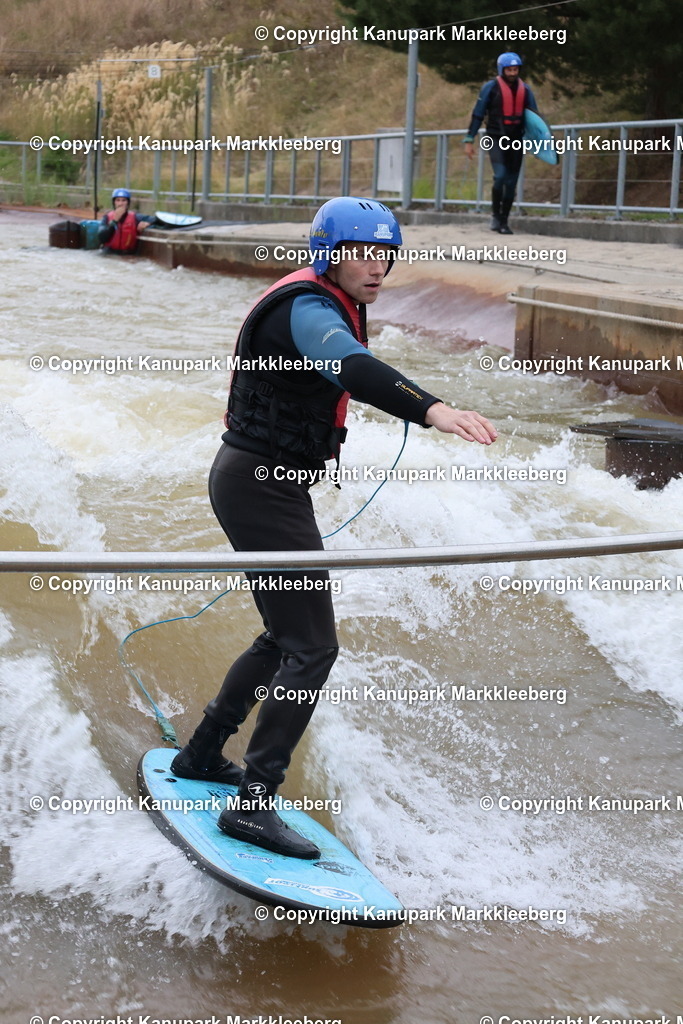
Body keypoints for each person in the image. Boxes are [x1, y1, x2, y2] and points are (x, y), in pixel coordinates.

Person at [171, 196, 497, 859]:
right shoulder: (306, 310)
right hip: (257, 484)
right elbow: (349, 367)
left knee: (284, 635)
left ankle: (203, 755)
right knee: (312, 648)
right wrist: (430, 409)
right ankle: (253, 804)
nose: (375, 266)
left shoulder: (329, 299)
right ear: (329, 254)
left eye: (384, 254)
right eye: (360, 253)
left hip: (267, 481)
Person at [464, 52, 539, 235]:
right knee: (500, 177)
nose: (513, 73)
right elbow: (478, 114)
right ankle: (496, 215)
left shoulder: (526, 90)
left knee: (511, 182)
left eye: (515, 69)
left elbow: (535, 119)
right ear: (501, 70)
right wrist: (469, 139)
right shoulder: (490, 88)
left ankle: (504, 221)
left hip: (516, 140)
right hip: (496, 138)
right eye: (509, 70)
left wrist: (539, 142)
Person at [98, 188, 151, 252]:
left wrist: (148, 223)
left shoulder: (136, 217)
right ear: (114, 203)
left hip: (127, 254)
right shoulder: (106, 218)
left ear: (128, 203)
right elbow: (102, 238)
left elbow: (158, 220)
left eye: (123, 200)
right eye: (118, 200)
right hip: (109, 253)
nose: (120, 204)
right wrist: (114, 221)